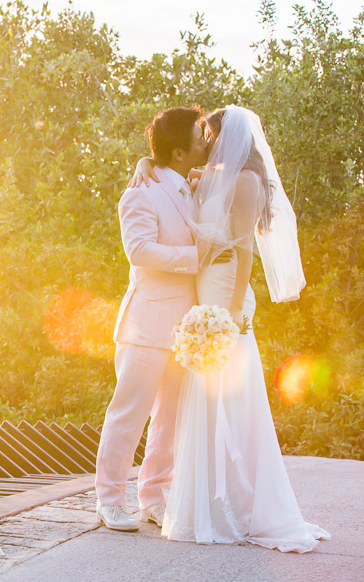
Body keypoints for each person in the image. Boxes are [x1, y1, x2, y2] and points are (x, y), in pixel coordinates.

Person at [156, 105, 330, 552]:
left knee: (234, 395)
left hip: (227, 292)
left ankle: (242, 504)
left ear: (232, 137)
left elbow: (244, 251)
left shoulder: (248, 181)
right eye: (204, 134)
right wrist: (143, 164)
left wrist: (230, 313)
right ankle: (209, 503)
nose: (207, 140)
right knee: (205, 394)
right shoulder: (211, 177)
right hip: (205, 288)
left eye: (210, 133)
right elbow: (169, 174)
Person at [95, 106, 232, 531]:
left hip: (186, 330)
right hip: (146, 326)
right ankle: (109, 499)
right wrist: (198, 258)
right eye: (198, 135)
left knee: (169, 418)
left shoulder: (194, 183)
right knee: (128, 414)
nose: (206, 140)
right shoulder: (140, 192)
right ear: (177, 152)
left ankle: (152, 496)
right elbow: (139, 250)